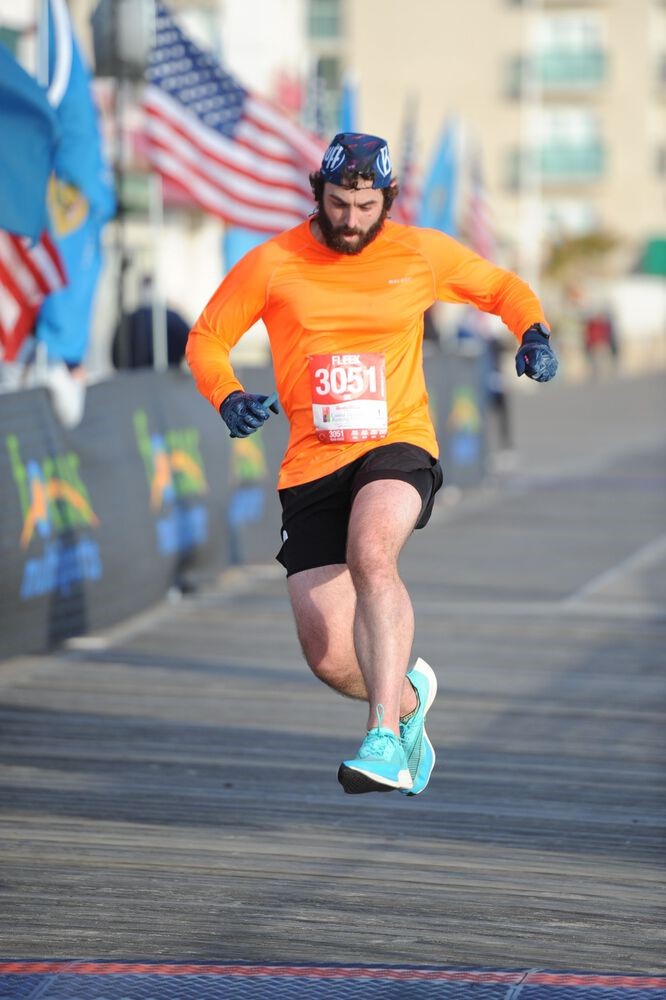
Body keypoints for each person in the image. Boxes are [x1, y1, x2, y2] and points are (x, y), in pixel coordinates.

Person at [186, 132, 558, 796]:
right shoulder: (274, 261)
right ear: (318, 193)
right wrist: (228, 396)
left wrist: (532, 333)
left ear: (387, 199)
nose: (351, 220)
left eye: (365, 206)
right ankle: (407, 699)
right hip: (312, 462)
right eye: (338, 204)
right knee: (328, 653)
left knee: (372, 553)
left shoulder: (419, 252)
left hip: (397, 442)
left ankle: (382, 737)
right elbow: (208, 337)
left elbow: (501, 288)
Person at [112, 275, 190, 370]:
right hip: (168, 374)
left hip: (135, 375)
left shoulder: (127, 321)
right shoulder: (172, 317)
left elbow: (115, 358)